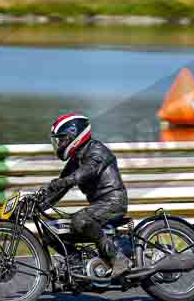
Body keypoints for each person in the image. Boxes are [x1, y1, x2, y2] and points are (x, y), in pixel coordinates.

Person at [39, 113, 132, 277]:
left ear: (74, 135)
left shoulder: (97, 150)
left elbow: (86, 171)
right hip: (98, 206)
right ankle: (74, 262)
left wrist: (66, 181)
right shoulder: (74, 160)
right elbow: (58, 189)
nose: (59, 144)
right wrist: (37, 203)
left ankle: (118, 259)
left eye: (62, 139)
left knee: (81, 220)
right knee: (50, 230)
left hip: (114, 202)